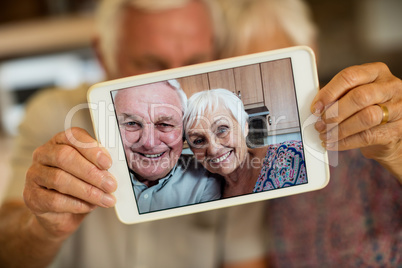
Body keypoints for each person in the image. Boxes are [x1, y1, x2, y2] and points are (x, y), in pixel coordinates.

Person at [0, 1, 268, 267]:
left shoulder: (229, 160)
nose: (175, 81)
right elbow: (7, 252)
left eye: (194, 62)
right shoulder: (52, 114)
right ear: (104, 56)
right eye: (151, 64)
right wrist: (42, 229)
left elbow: (243, 259)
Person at [214, 0, 402, 266]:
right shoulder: (247, 166)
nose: (259, 99)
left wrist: (396, 152)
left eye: (271, 68)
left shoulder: (371, 120)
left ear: (310, 49)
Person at [114, 81, 221, 213]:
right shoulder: (97, 176)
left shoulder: (208, 181)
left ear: (184, 132)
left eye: (165, 124)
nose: (149, 143)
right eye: (132, 123)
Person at [184, 88, 306, 198]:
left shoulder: (295, 155)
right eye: (198, 141)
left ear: (244, 127)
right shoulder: (207, 191)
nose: (213, 149)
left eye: (222, 130)